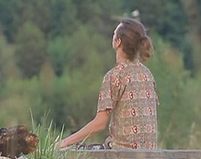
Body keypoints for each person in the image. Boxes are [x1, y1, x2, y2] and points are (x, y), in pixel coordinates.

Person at [58, 18, 158, 149]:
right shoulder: (147, 74)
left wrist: (64, 142)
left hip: (123, 153)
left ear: (118, 42)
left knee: (72, 150)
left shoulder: (114, 76)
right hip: (150, 152)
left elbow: (100, 123)